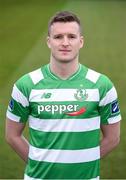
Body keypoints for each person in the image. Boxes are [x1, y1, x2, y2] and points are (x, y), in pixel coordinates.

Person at [5, 11, 121, 180]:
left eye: (71, 36)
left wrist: (84, 163)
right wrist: (39, 163)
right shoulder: (26, 84)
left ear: (81, 42)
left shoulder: (102, 85)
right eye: (58, 37)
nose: (65, 43)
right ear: (48, 42)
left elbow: (113, 138)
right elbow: (12, 135)